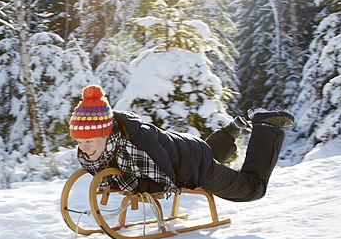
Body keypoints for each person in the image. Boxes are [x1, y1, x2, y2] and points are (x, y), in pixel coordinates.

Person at [69, 85, 293, 202]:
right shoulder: (109, 143)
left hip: (190, 163)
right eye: (79, 141)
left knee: (252, 190)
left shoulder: (136, 146)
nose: (84, 147)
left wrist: (140, 187)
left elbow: (163, 176)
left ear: (106, 133)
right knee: (202, 155)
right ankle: (231, 130)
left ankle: (266, 126)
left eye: (88, 140)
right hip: (186, 151)